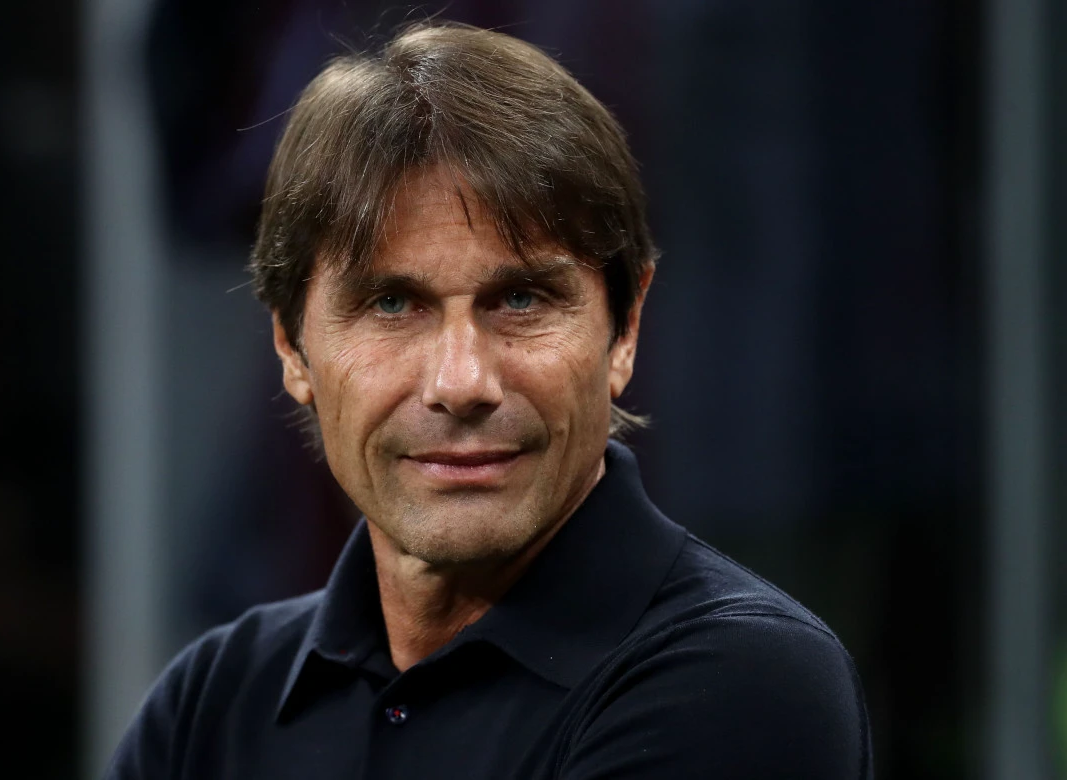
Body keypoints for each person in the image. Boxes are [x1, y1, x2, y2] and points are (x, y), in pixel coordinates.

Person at [105, 21, 872, 779]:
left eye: (522, 300)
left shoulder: (742, 683)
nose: (462, 381)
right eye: (392, 305)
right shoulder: (211, 702)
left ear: (626, 329)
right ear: (291, 347)